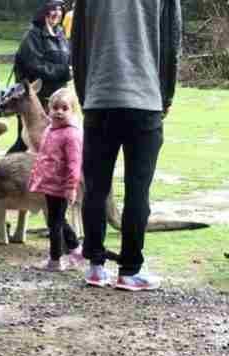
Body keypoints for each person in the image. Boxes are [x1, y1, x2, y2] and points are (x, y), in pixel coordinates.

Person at [73, 0, 181, 291]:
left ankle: (95, 266)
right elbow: (171, 42)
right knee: (137, 190)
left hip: (99, 100)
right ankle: (130, 269)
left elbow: (78, 46)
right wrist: (166, 96)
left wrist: (85, 97)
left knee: (96, 189)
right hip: (144, 101)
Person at [27, 88, 84, 271]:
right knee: (58, 220)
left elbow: (74, 163)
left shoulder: (71, 134)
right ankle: (76, 250)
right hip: (49, 184)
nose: (59, 112)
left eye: (64, 108)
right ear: (48, 109)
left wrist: (70, 187)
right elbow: (44, 156)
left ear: (73, 110)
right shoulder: (50, 130)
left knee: (54, 223)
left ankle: (55, 259)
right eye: (55, 107)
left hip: (60, 186)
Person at [7, 0, 71, 154]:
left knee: (54, 139)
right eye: (52, 9)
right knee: (26, 141)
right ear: (44, 12)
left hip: (56, 97)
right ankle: (3, 171)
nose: (57, 13)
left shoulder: (60, 33)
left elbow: (67, 58)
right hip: (34, 97)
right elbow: (34, 65)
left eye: (59, 9)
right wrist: (63, 71)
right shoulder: (33, 35)